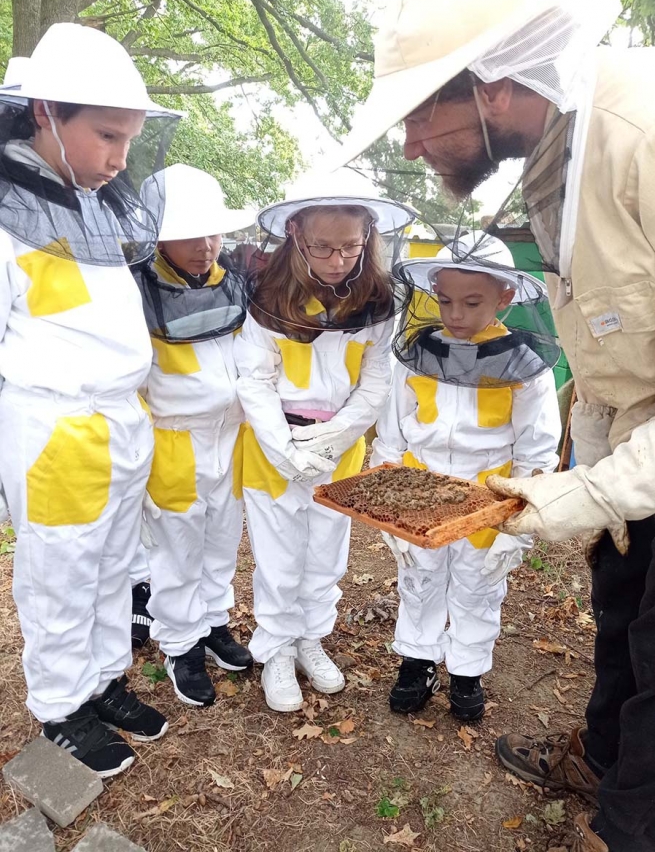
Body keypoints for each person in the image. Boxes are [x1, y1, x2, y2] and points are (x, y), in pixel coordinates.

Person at [333, 0, 655, 848]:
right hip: (632, 456)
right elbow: (613, 346)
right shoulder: (567, 145)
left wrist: (575, 494)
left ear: (492, 86)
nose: (406, 141)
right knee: (622, 630)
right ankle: (598, 758)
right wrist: (585, 461)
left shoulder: (641, 136)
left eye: (418, 113)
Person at [0, 24, 181, 777]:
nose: (118, 158)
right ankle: (61, 705)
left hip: (121, 417)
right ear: (45, 113)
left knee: (113, 563)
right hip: (55, 425)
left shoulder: (99, 204)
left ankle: (105, 679)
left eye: (130, 140)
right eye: (106, 135)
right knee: (61, 571)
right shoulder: (6, 215)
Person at [234, 171, 414, 712]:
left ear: (369, 238)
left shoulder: (378, 302)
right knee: (278, 556)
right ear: (295, 235)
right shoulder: (267, 297)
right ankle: (276, 650)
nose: (338, 260)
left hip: (341, 448)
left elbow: (376, 381)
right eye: (323, 247)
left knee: (326, 554)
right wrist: (285, 447)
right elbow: (255, 380)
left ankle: (311, 639)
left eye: (350, 247)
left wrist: (337, 436)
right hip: (274, 447)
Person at [371, 234, 560, 720]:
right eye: (446, 300)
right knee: (419, 579)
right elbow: (392, 431)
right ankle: (417, 662)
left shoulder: (523, 364)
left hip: (486, 495)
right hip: (419, 487)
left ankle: (468, 670)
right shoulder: (417, 352)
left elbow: (536, 450)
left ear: (505, 297)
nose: (455, 314)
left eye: (472, 302)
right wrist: (384, 497)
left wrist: (519, 523)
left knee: (478, 586)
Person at [130, 163, 254, 705]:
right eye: (189, 232)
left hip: (232, 438)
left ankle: (212, 623)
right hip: (174, 440)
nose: (206, 245)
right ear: (158, 233)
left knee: (222, 541)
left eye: (213, 230)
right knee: (176, 551)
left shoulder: (233, 283)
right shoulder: (138, 291)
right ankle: (180, 643)